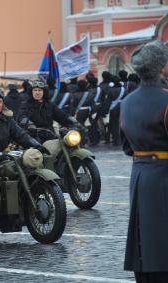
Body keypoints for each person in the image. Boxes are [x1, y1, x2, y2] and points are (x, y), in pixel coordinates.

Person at [120, 40, 168, 283]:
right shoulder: (166, 99)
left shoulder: (126, 103)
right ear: (162, 68)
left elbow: (127, 146)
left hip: (139, 176)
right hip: (164, 176)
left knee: (145, 241)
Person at [0, 88, 48, 174]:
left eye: (0, 101)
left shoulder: (7, 119)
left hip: (1, 156)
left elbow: (20, 134)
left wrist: (37, 145)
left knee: (23, 169)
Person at [17, 80, 81, 144]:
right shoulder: (26, 105)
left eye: (40, 90)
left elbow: (61, 116)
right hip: (33, 135)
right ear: (31, 92)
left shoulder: (50, 104)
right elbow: (22, 116)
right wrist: (30, 125)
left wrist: (74, 122)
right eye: (35, 90)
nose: (37, 92)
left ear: (44, 92)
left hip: (50, 135)